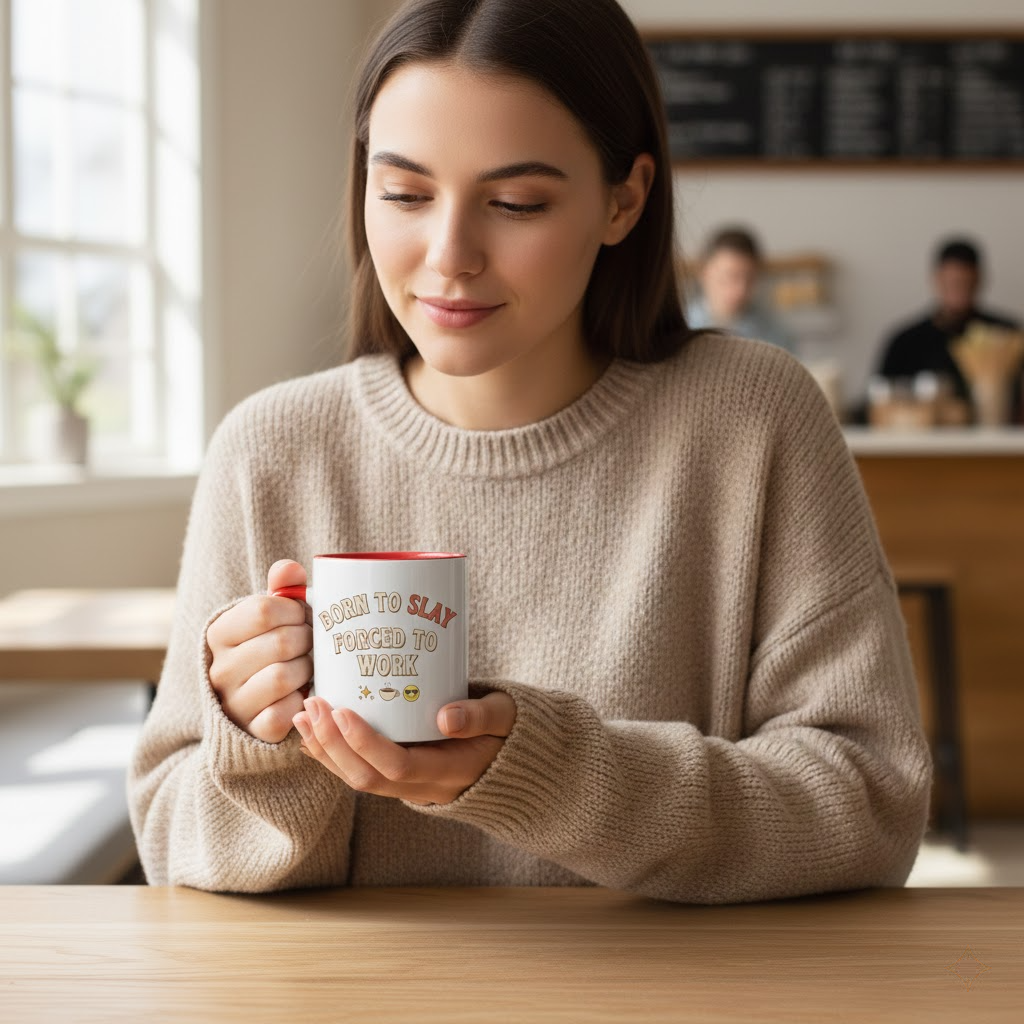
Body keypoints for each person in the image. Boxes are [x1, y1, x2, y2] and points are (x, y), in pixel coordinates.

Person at [127, 0, 931, 904]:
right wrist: (261, 744)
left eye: (516, 203)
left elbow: (872, 801)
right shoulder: (270, 450)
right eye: (405, 194)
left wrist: (557, 776)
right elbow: (169, 842)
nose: (450, 256)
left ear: (624, 199)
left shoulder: (752, 420)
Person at [874, 238, 1022, 418]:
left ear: (979, 279)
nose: (959, 290)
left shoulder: (1007, 336)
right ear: (936, 279)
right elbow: (878, 399)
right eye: (952, 283)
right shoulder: (905, 341)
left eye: (965, 283)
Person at [687, 227, 797, 354]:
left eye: (750, 279)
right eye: (731, 276)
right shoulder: (681, 327)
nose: (741, 290)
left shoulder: (775, 332)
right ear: (703, 273)